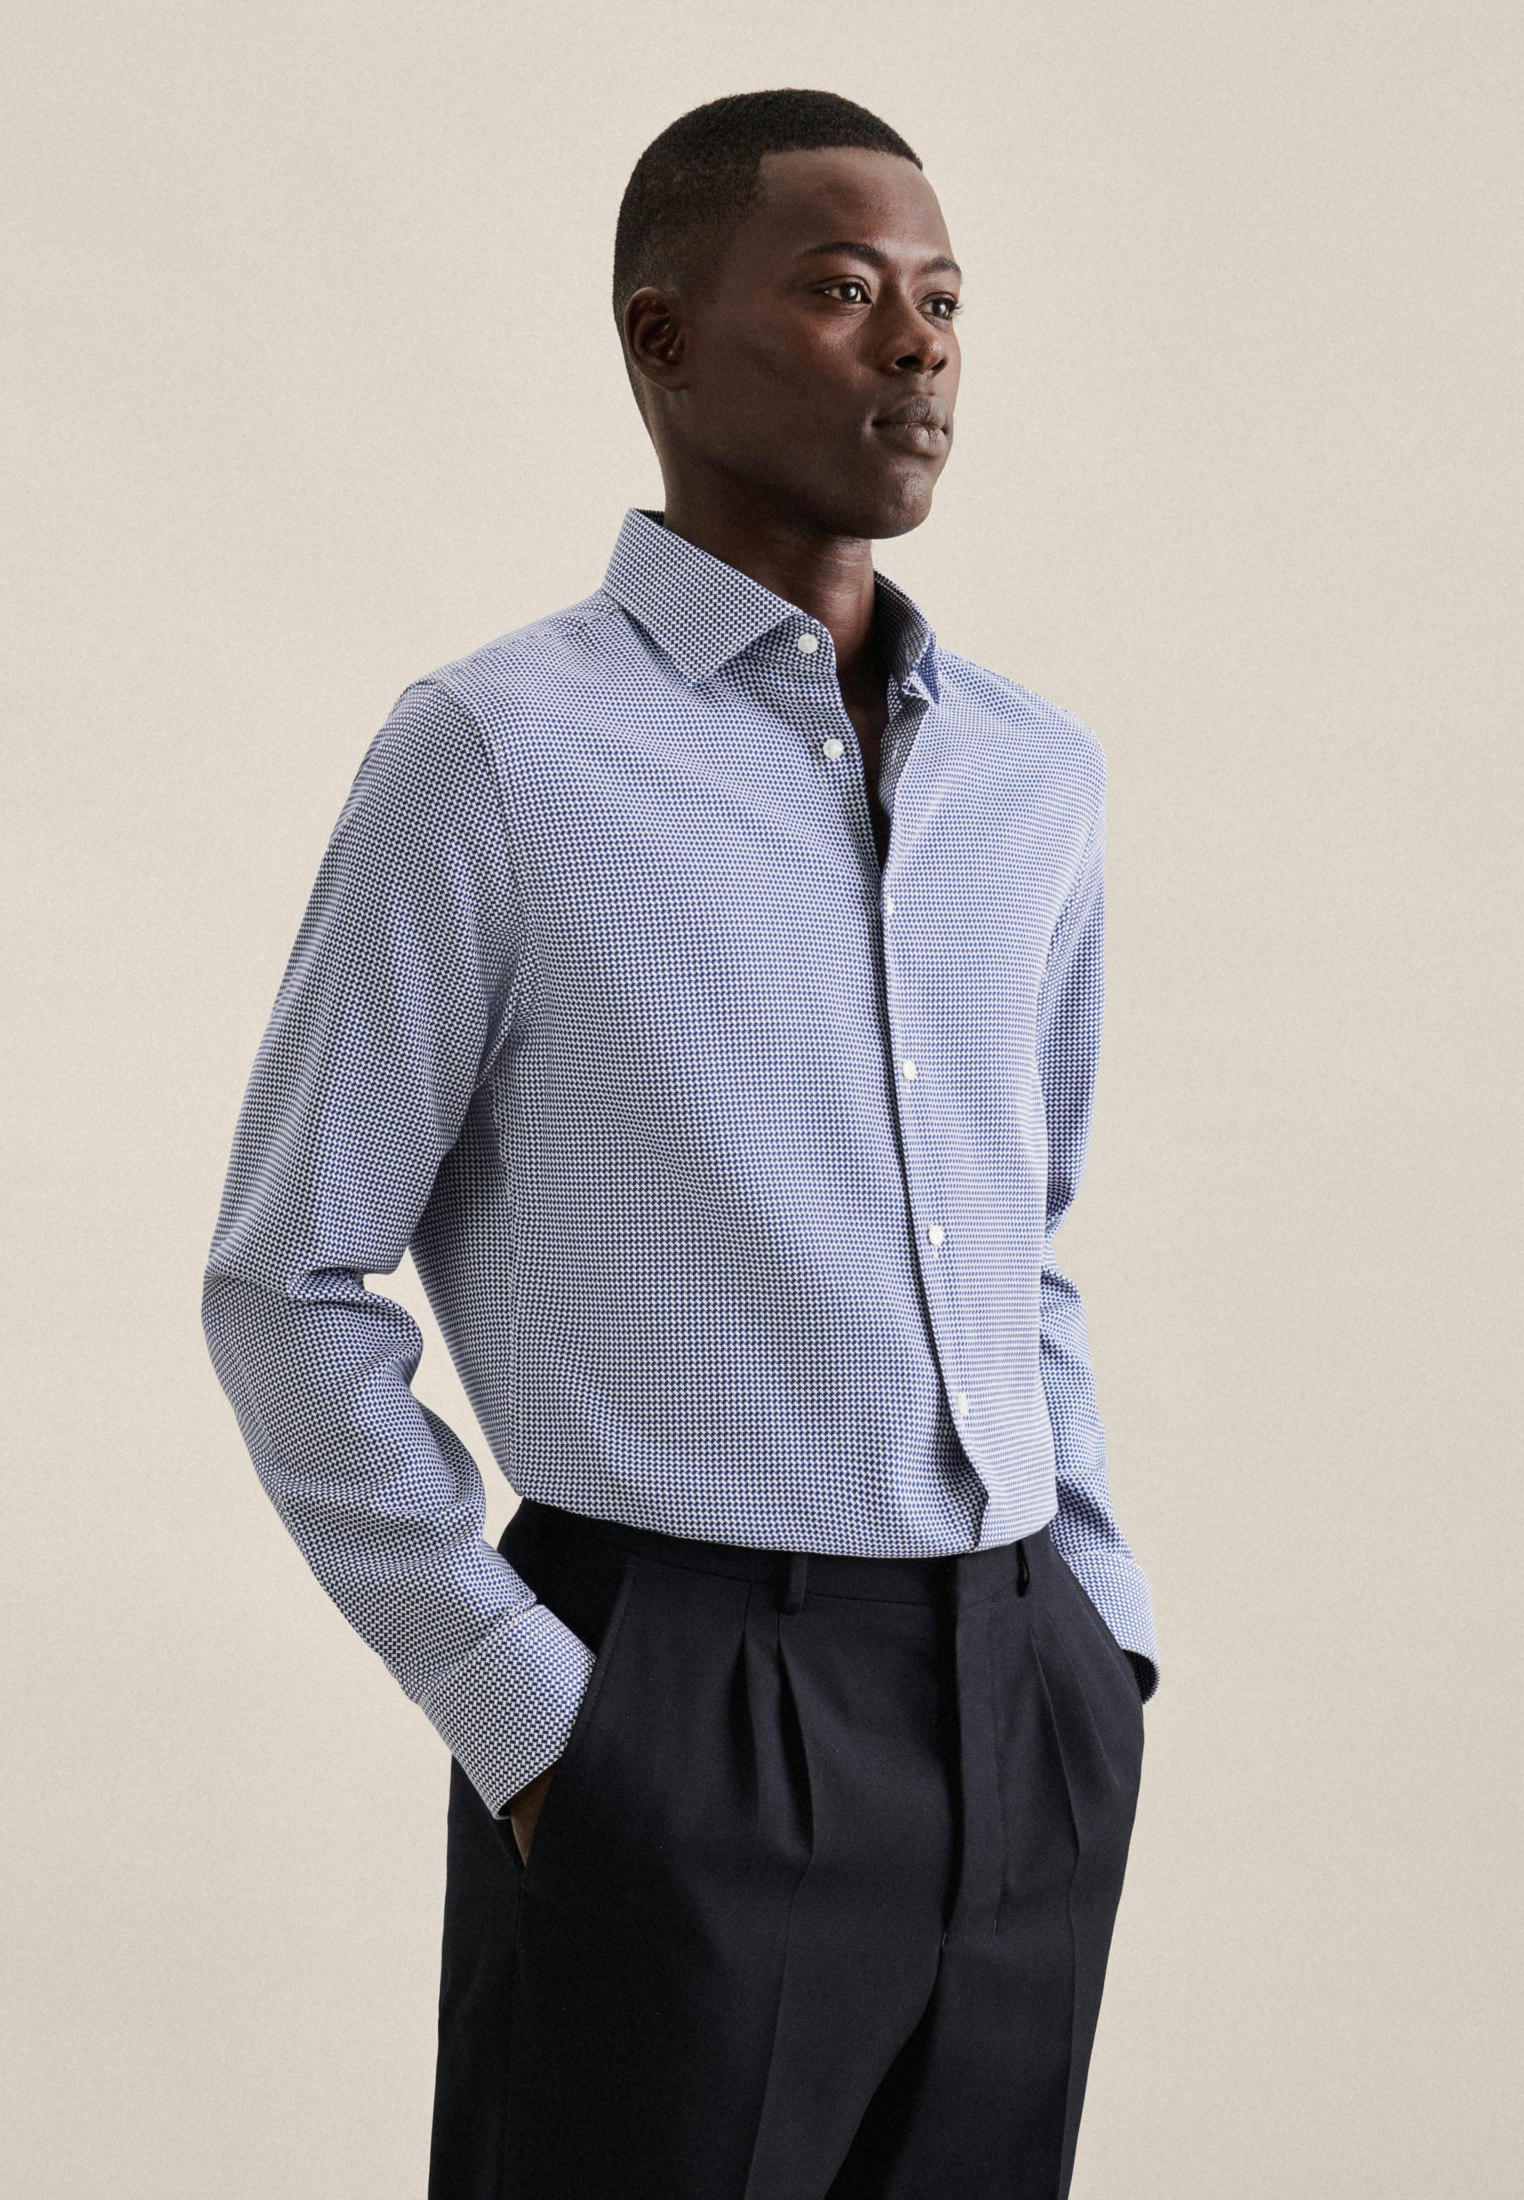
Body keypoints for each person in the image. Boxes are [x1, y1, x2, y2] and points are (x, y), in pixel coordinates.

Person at [202, 86, 1160, 2200]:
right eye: (841, 292)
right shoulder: (496, 753)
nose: (917, 347)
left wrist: (1101, 1632)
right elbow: (285, 1280)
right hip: (674, 1698)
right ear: (665, 342)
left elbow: (1023, 1238)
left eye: (942, 302)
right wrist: (538, 1727)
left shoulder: (1039, 779)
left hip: (1020, 1703)